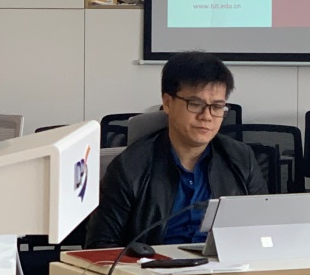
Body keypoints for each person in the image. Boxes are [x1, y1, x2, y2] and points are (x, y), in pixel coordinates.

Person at [86, 51, 267, 248]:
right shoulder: (129, 167)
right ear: (168, 103)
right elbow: (99, 246)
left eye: (217, 107)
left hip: (226, 263)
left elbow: (264, 228)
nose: (207, 116)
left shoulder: (241, 159)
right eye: (195, 104)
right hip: (154, 264)